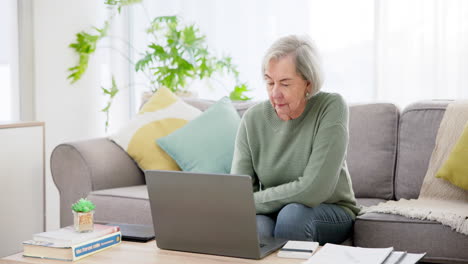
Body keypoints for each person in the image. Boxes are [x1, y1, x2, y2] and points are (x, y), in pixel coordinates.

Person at [230, 35, 360, 245]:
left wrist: (244, 203)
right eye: (269, 82)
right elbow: (239, 192)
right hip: (275, 210)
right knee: (254, 227)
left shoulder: (331, 107)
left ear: (308, 82)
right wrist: (239, 203)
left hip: (330, 210)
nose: (275, 94)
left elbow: (313, 190)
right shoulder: (252, 119)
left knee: (292, 217)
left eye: (285, 83)